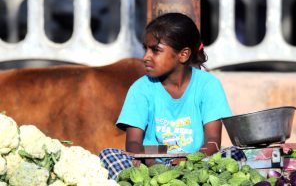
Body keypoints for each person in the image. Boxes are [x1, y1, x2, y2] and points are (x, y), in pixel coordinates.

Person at [99, 12, 245, 180]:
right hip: (151, 168)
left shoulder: (208, 85)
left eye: (155, 50)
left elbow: (213, 141)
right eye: (145, 48)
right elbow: (133, 144)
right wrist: (156, 168)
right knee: (108, 155)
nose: (146, 57)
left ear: (183, 54)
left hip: (196, 167)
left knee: (235, 154)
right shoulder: (140, 89)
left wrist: (188, 161)